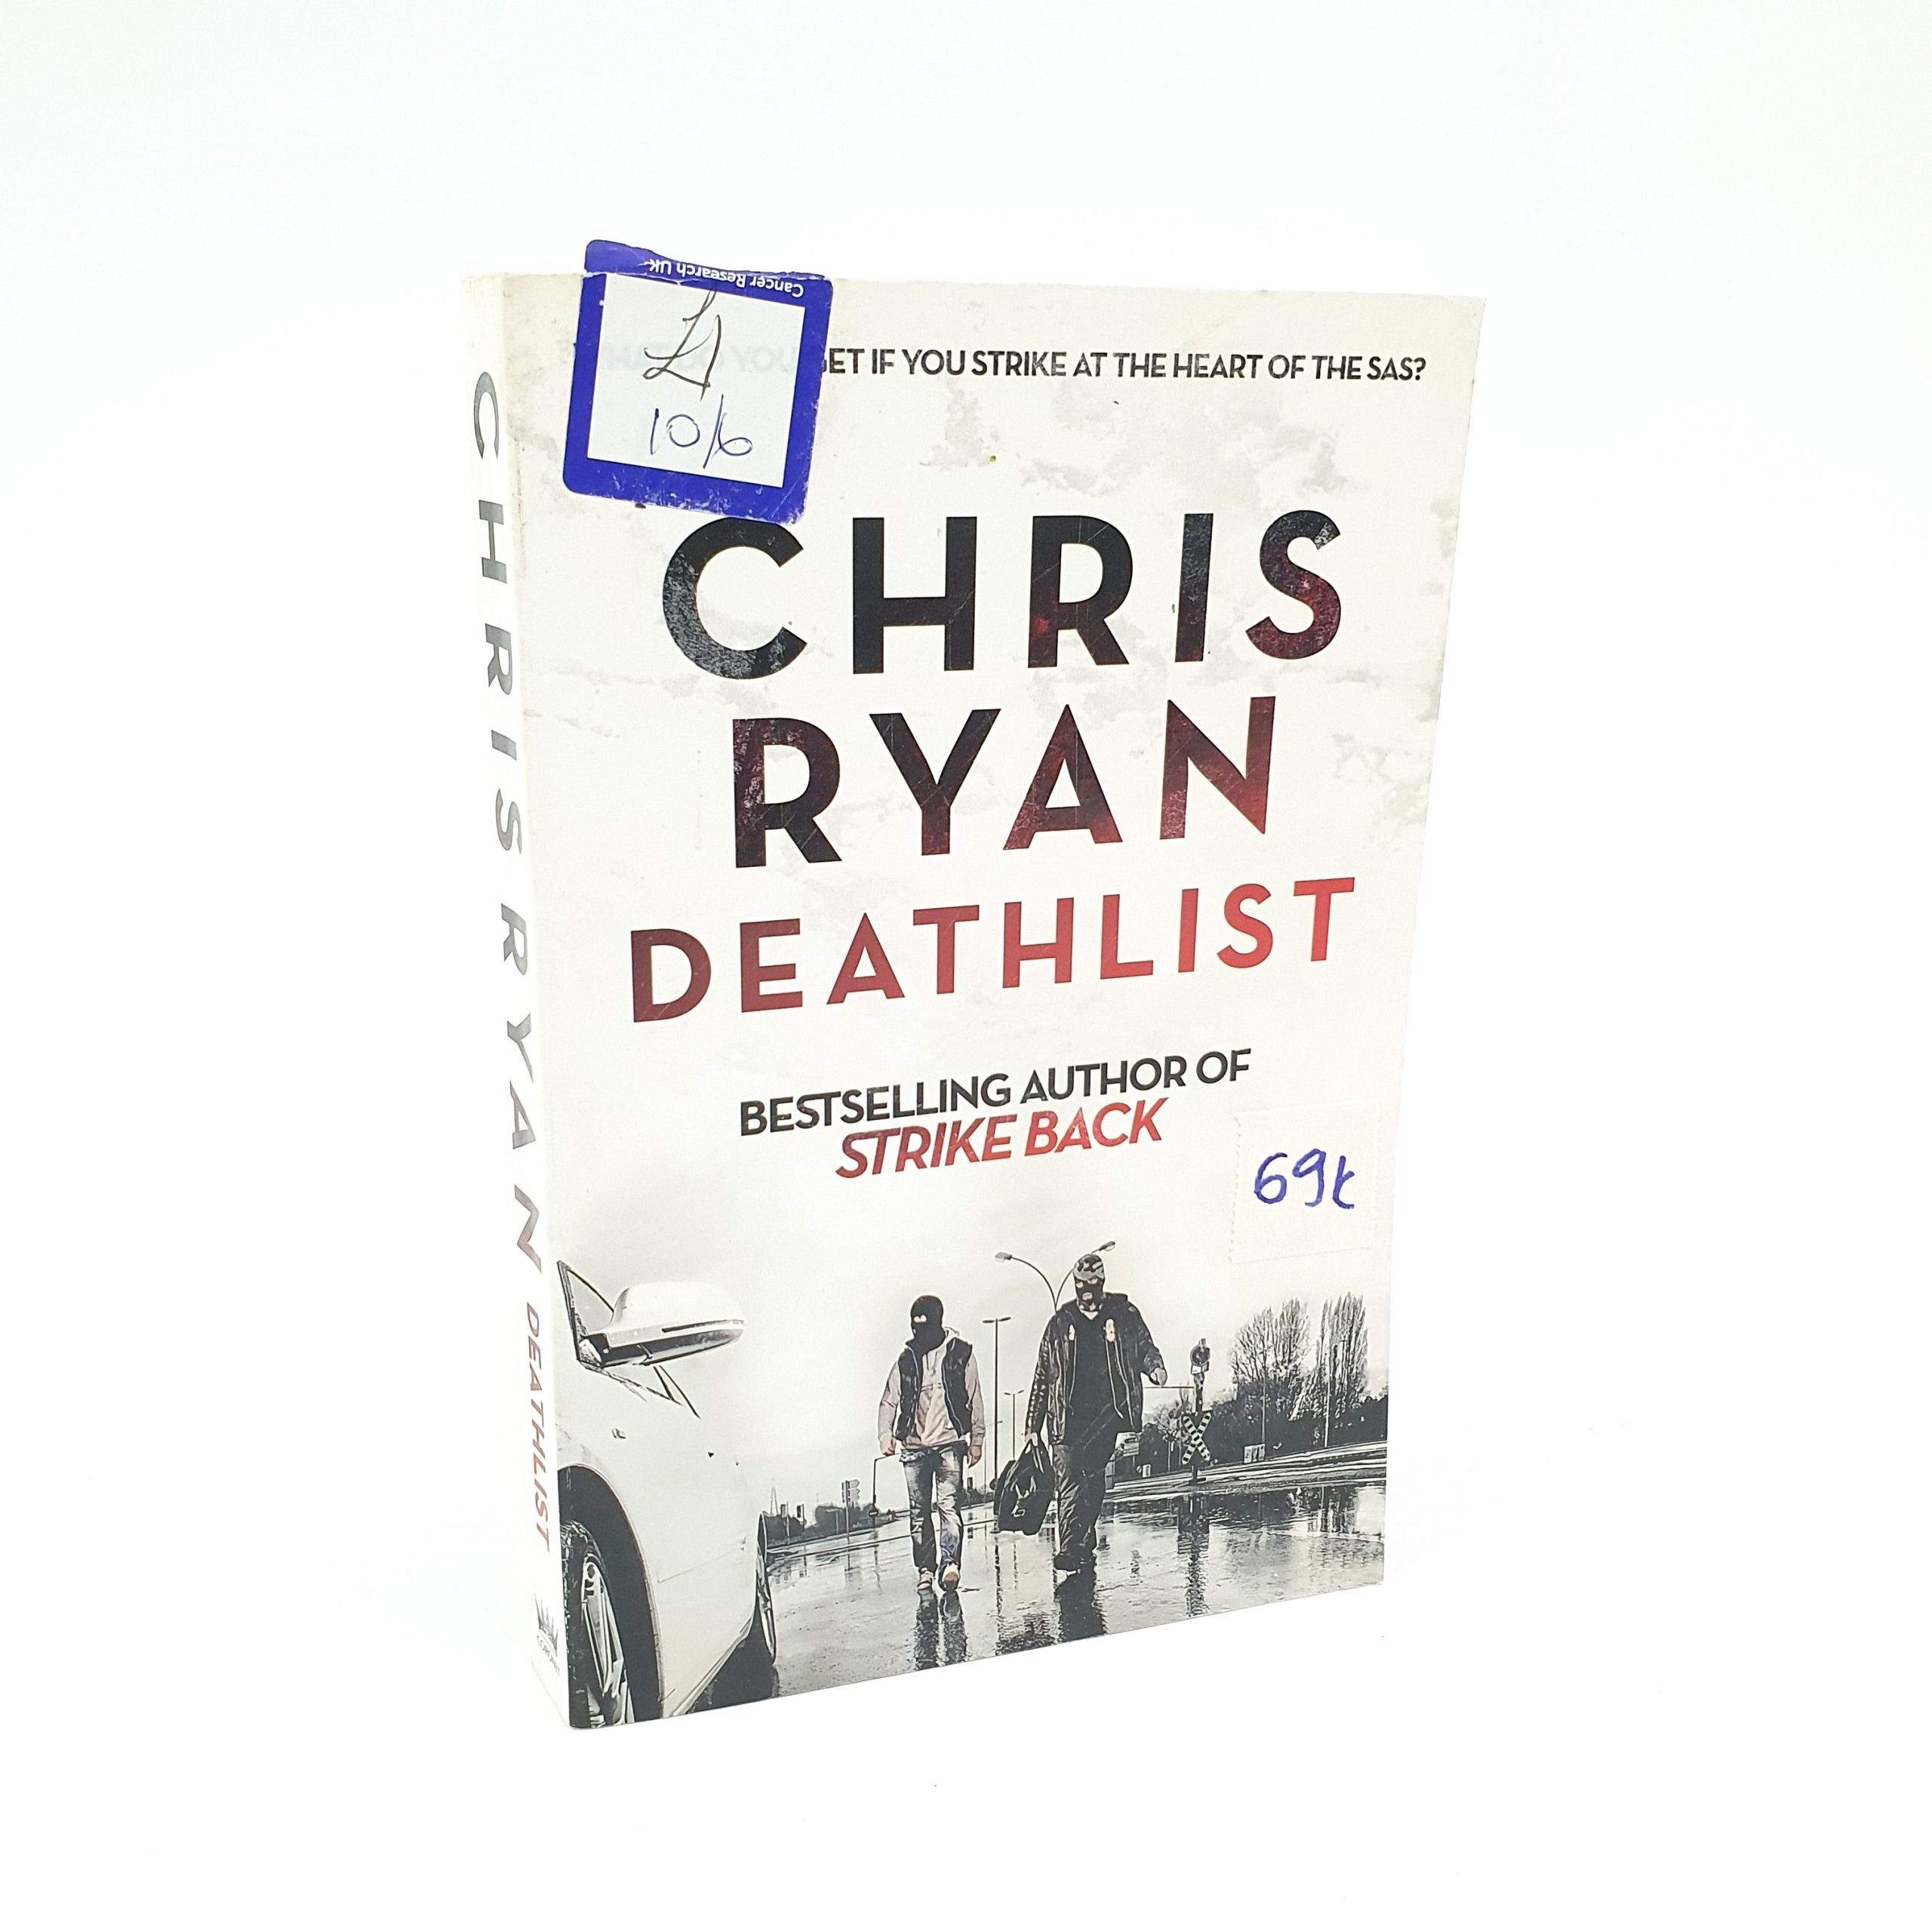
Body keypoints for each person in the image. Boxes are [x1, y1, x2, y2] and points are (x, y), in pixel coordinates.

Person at [1024, 1253, 1166, 1575]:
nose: (1086, 1294)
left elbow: (1144, 1345)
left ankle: (1083, 1538)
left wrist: (1155, 1367)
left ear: (1101, 1283)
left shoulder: (1124, 1313)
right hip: (1065, 1417)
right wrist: (1033, 1425)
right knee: (1069, 1480)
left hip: (1106, 1415)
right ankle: (1070, 1548)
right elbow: (1043, 1375)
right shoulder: (1060, 1323)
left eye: (1092, 1286)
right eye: (1081, 1287)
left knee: (1093, 1481)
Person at [878, 1294, 985, 1592]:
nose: (919, 1333)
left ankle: (950, 1564)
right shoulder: (906, 1360)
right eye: (915, 1327)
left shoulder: (961, 1354)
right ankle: (925, 1569)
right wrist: (885, 1435)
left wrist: (976, 1439)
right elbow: (889, 1400)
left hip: (950, 1443)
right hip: (913, 1448)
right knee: (918, 1512)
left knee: (948, 1507)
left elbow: (974, 1397)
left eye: (924, 1326)